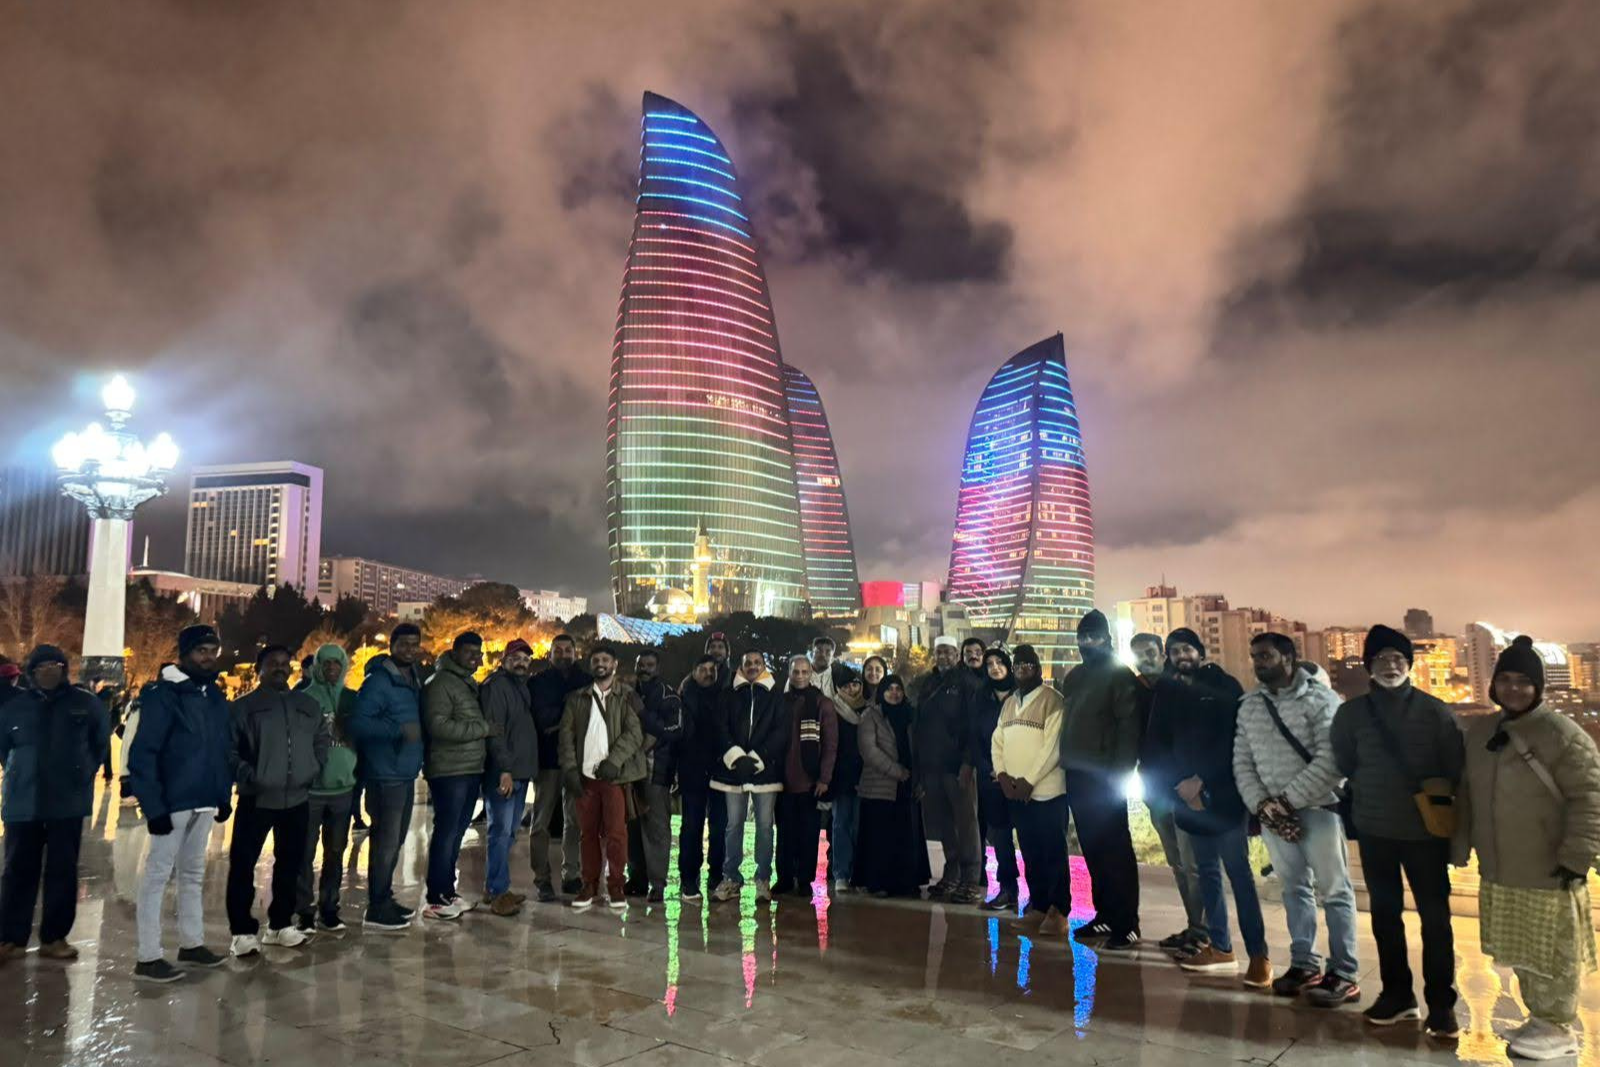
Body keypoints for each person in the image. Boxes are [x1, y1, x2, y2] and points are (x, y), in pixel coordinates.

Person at [1456, 635, 1600, 1060]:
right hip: (1499, 866)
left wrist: (1577, 857)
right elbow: (1467, 794)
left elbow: (1590, 798)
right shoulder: (1482, 731)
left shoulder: (1562, 734)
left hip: (1548, 866)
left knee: (1553, 951)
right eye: (1505, 679)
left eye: (1524, 681)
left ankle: (1557, 1026)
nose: (1514, 688)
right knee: (1522, 947)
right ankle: (1539, 1018)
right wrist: (1461, 846)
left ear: (1539, 686)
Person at [1330, 625, 1464, 1036]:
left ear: (1409, 664)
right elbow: (1345, 762)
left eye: (1398, 658)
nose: (1390, 665)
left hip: (1425, 834)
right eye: (1381, 658)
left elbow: (1454, 768)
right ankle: (1397, 995)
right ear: (1368, 665)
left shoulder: (1435, 712)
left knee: (1436, 921)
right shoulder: (1351, 714)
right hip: (1375, 831)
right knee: (1386, 917)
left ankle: (1441, 1004)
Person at [1235, 631, 1360, 1007]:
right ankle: (1305, 963)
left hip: (1318, 808)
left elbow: (1331, 760)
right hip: (1273, 815)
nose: (1258, 663)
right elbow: (1242, 761)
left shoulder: (1321, 699)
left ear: (1288, 658)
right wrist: (1263, 805)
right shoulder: (1250, 705)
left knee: (1335, 891)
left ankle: (1344, 972)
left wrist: (1285, 802)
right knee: (1293, 889)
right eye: (1255, 656)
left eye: (1266, 656)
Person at [1143, 631, 1266, 985]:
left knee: (1239, 875)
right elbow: (1157, 744)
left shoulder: (1224, 685)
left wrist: (1202, 781)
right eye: (1174, 651)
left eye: (1187, 649)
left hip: (1224, 797)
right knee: (1207, 874)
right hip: (1185, 798)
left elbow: (1234, 740)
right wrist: (1180, 785)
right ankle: (1221, 948)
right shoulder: (1167, 692)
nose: (1181, 655)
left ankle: (1259, 956)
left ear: (1200, 651)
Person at [126, 624, 234, 982]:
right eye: (201, 651)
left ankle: (192, 942)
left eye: (213, 651)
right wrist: (154, 807)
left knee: (193, 873)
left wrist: (221, 795)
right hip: (172, 801)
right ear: (185, 653)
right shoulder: (163, 694)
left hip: (203, 798)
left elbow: (220, 751)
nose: (208, 658)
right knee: (157, 875)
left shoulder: (213, 696)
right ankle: (148, 955)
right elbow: (144, 754)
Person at [0, 645, 109, 964]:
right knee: (18, 870)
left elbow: (99, 743)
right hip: (24, 801)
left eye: (55, 665)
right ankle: (11, 937)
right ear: (31, 672)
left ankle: (54, 937)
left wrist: (81, 773)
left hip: (67, 802)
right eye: (42, 667)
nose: (49, 671)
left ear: (64, 669)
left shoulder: (85, 703)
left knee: (63, 869)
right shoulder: (15, 707)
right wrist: (21, 772)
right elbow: (4, 748)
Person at [226, 645, 329, 956]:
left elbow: (321, 738)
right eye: (273, 663)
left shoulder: (306, 705)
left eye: (285, 663)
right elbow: (228, 749)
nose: (281, 668)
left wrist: (314, 766)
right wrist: (249, 774)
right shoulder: (244, 707)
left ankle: (280, 924)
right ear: (259, 668)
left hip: (297, 798)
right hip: (257, 798)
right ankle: (242, 931)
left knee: (291, 863)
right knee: (243, 865)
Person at [1057, 610, 1142, 949]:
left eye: (1093, 636)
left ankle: (1127, 922)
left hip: (1106, 776)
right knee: (1092, 847)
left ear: (1106, 638)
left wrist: (1119, 775)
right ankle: (1104, 914)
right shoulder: (1075, 677)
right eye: (1083, 637)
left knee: (1115, 848)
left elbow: (1128, 728)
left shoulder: (1119, 675)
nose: (1087, 642)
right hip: (1077, 773)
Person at [348, 622, 426, 932]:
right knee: (385, 842)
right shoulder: (379, 681)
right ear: (392, 646)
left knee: (395, 842)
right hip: (385, 774)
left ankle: (384, 897)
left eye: (414, 644)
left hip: (404, 772)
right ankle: (377, 907)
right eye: (403, 644)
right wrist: (397, 731)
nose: (409, 649)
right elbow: (358, 723)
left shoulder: (412, 677)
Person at [1132, 632, 1207, 954]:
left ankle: (1204, 932)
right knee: (1178, 863)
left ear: (1162, 654)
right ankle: (1193, 926)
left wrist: (1198, 779)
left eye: (1150, 652)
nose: (1145, 659)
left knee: (1194, 865)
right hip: (1156, 790)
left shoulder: (1180, 685)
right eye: (1138, 654)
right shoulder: (1137, 689)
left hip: (1185, 789)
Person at [558, 645, 645, 910]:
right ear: (590, 664)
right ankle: (589, 884)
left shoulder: (626, 696)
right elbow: (566, 737)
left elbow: (634, 734)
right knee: (587, 834)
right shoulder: (577, 699)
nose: (600, 663)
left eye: (606, 659)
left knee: (617, 834)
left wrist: (614, 761)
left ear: (614, 664)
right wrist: (570, 770)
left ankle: (616, 884)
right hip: (585, 778)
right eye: (596, 659)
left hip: (614, 779)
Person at [990, 645, 1069, 932]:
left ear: (1037, 668)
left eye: (1028, 666)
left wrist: (1029, 780)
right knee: (1030, 851)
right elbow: (997, 741)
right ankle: (1039, 905)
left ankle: (1058, 911)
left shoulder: (1053, 700)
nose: (1023, 671)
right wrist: (1002, 775)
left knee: (1053, 851)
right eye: (1018, 666)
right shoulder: (1010, 703)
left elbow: (1053, 747)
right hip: (1016, 792)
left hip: (1047, 792)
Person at [422, 631, 493, 921]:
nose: (475, 658)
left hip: (469, 767)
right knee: (446, 832)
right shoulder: (441, 683)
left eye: (478, 653)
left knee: (456, 833)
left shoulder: (465, 682)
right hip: (450, 770)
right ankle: (436, 898)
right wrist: (483, 729)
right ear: (455, 652)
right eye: (469, 652)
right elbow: (438, 726)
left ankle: (447, 892)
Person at [710, 650, 789, 903]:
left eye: (757, 662)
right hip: (733, 772)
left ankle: (762, 879)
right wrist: (736, 757)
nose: (753, 666)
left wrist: (757, 759)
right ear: (741, 666)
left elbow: (781, 730)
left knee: (765, 827)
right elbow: (720, 728)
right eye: (748, 663)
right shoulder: (728, 694)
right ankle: (731, 877)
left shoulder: (776, 695)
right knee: (733, 825)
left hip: (766, 771)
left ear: (764, 665)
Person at [296, 643, 359, 933]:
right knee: (304, 854)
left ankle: (329, 908)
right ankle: (303, 911)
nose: (332, 668)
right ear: (318, 666)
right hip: (310, 792)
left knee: (335, 853)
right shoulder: (304, 698)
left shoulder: (351, 698)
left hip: (342, 790)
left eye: (337, 663)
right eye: (327, 663)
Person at [915, 635, 983, 904]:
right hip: (932, 767)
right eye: (939, 652)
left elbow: (974, 726)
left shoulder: (967, 683)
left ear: (957, 655)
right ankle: (951, 873)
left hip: (958, 767)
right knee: (944, 822)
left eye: (948, 652)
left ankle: (970, 879)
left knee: (966, 822)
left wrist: (968, 762)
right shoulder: (928, 682)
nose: (943, 656)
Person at [854, 674, 929, 898]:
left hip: (906, 787)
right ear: (881, 692)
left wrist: (918, 779)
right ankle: (878, 883)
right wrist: (897, 772)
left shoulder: (910, 715)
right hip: (880, 787)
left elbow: (919, 750)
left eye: (898, 688)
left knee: (905, 837)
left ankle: (906, 883)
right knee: (880, 838)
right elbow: (869, 751)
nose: (894, 693)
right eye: (889, 689)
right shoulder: (870, 715)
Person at [529, 634, 591, 900]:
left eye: (568, 650)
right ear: (550, 653)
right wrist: (570, 709)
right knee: (541, 821)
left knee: (574, 821)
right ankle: (542, 878)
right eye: (559, 650)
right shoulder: (539, 682)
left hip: (577, 761)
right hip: (548, 761)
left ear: (575, 653)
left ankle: (571, 875)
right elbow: (542, 718)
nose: (564, 655)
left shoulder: (586, 680)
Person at [481, 638, 537, 917]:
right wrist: (504, 769)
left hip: (520, 772)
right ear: (504, 661)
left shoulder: (519, 687)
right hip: (504, 772)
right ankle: (496, 891)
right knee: (500, 833)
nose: (521, 663)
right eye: (516, 658)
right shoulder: (497, 686)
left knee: (509, 833)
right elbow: (495, 730)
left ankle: (497, 886)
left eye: (526, 659)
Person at [774, 656, 838, 897]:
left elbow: (830, 744)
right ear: (789, 674)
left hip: (810, 780)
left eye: (804, 671)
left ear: (810, 674)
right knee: (784, 834)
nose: (800, 676)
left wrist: (824, 778)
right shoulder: (781, 702)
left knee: (809, 835)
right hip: (783, 780)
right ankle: (784, 878)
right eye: (795, 672)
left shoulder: (822, 704)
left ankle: (805, 880)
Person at [629, 650, 683, 903]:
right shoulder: (629, 693)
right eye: (641, 664)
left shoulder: (668, 695)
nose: (645, 669)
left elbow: (673, 731)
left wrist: (643, 715)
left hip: (656, 771)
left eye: (650, 665)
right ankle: (636, 879)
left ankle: (658, 883)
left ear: (658, 668)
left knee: (657, 827)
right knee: (632, 825)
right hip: (628, 769)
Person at [974, 648, 1021, 911]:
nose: (994, 667)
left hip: (1021, 778)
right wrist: (990, 769)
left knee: (1028, 837)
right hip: (992, 779)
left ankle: (1040, 894)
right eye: (989, 663)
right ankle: (1007, 889)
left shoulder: (1022, 695)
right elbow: (974, 739)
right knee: (1001, 838)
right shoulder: (981, 699)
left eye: (999, 662)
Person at [676, 655, 726, 902]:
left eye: (712, 669)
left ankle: (716, 875)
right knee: (691, 826)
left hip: (719, 770)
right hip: (692, 769)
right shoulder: (684, 698)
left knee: (719, 827)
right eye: (703, 669)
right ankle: (688, 878)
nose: (708, 673)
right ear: (694, 672)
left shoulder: (724, 697)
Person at [827, 664, 867, 894]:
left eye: (855, 684)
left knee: (859, 825)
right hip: (840, 776)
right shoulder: (832, 709)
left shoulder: (868, 709)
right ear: (838, 688)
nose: (852, 689)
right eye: (846, 685)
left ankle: (858, 872)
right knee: (840, 823)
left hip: (864, 776)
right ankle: (841, 872)